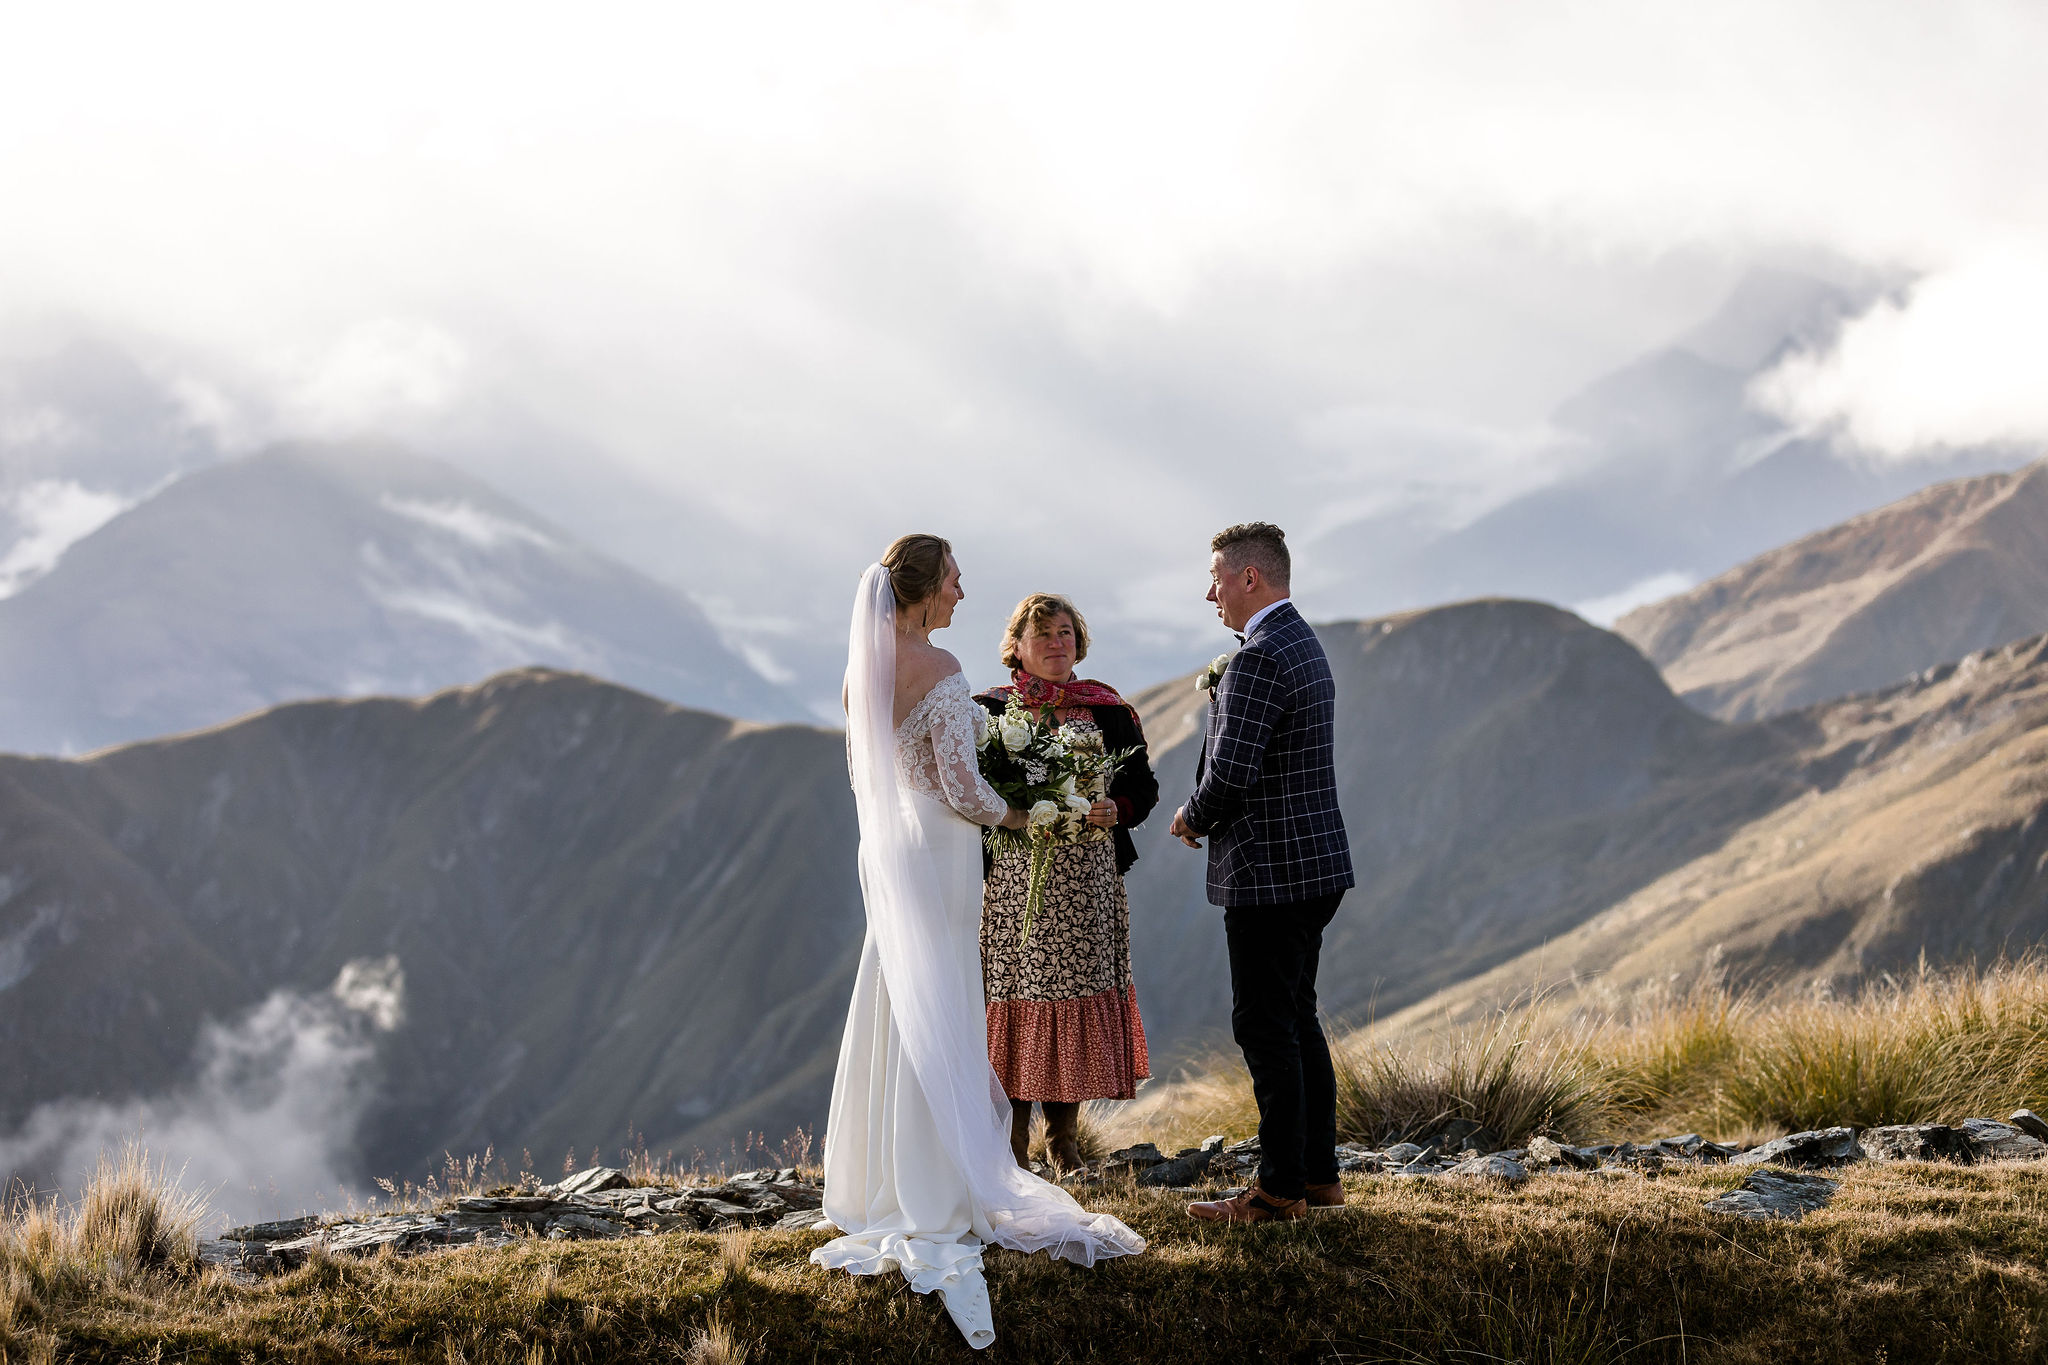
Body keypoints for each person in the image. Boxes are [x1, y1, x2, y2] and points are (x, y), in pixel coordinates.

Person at [813, 534, 1145, 1350]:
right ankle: (939, 1182)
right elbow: (963, 788)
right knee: (947, 1002)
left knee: (899, 1000)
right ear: (926, 589)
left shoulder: (864, 667)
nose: (964, 591)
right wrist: (1031, 812)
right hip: (945, 852)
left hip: (897, 849)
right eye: (955, 579)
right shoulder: (943, 667)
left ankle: (877, 1180)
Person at [1169, 522, 1354, 1223]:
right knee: (1297, 1018)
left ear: (1251, 578)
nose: (1208, 591)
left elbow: (1230, 777)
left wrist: (1190, 816)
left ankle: (1277, 1192)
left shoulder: (1259, 657)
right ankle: (1318, 1178)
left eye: (1216, 576)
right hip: (1313, 866)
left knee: (1263, 1025)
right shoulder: (1300, 640)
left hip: (1271, 874)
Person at [975, 594, 1158, 1174]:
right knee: (1017, 998)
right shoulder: (990, 712)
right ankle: (1010, 1143)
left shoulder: (1108, 710)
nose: (1057, 644)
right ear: (1017, 648)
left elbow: (1144, 788)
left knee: (1073, 999)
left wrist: (1118, 807)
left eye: (1065, 633)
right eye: (1043, 635)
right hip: (1014, 881)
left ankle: (1063, 1143)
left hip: (1087, 885)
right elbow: (968, 792)